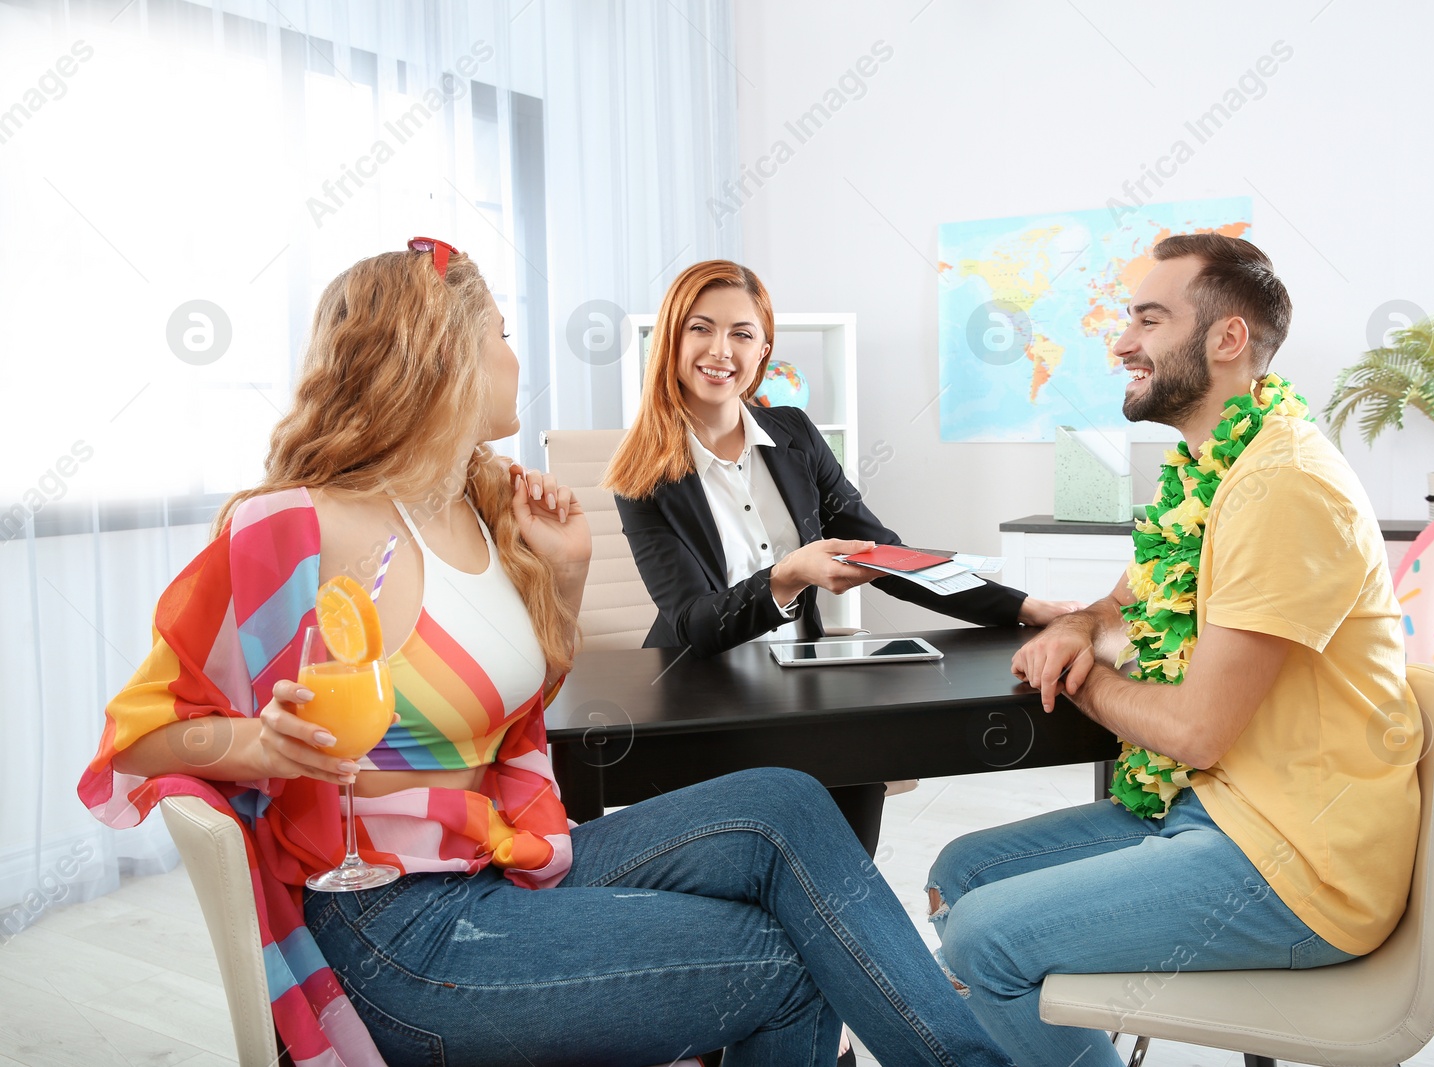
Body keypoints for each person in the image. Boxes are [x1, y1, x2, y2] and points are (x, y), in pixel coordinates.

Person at [79, 240, 1017, 1067]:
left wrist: (564, 574)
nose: (513, 353)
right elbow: (140, 738)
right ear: (441, 356)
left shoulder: (475, 507)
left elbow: (514, 709)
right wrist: (259, 746)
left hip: (501, 856)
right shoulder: (287, 526)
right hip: (403, 931)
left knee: (787, 800)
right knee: (794, 956)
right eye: (500, 331)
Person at [924, 235, 1420, 1066]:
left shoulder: (1282, 484)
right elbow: (1120, 602)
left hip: (1298, 865)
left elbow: (1194, 733)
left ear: (1227, 339)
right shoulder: (1210, 471)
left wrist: (1078, 674)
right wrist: (1079, 630)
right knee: (963, 867)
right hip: (1217, 812)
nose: (1122, 343)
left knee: (981, 938)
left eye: (1149, 319)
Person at [603, 259, 1072, 849]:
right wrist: (789, 575)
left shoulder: (794, 434)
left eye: (742, 333)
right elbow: (692, 621)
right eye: (701, 328)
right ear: (671, 338)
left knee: (858, 778)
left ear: (763, 349)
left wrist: (1025, 607)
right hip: (695, 699)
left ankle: (842, 919)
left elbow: (883, 556)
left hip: (797, 682)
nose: (721, 349)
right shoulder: (640, 474)